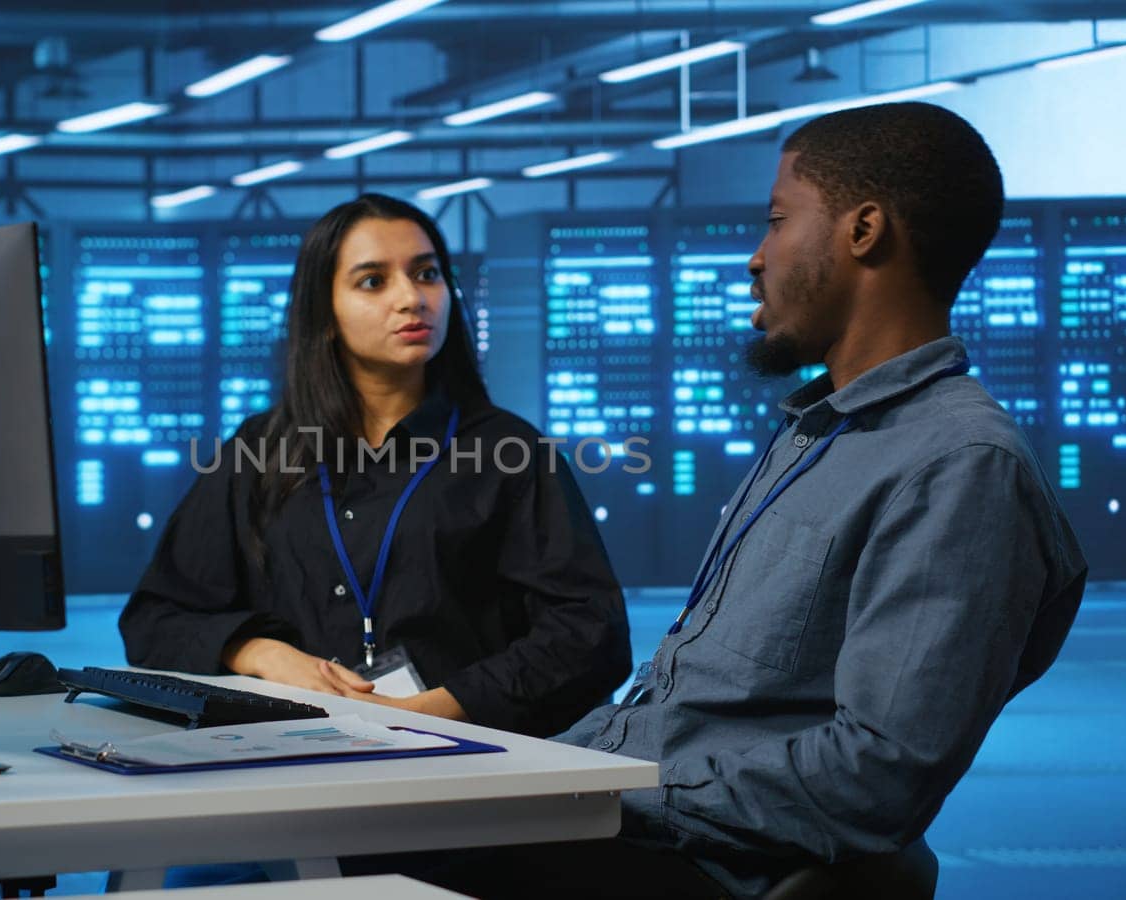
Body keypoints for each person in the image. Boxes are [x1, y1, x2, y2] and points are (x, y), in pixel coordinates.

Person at [359, 103, 1088, 898]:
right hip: (619, 820)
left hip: (690, 862)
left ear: (865, 230)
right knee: (351, 837)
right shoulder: (814, 435)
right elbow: (692, 702)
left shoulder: (960, 468)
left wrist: (595, 794)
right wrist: (538, 773)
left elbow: (876, 777)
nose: (755, 257)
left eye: (778, 221)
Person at [119, 192, 631, 738]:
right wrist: (260, 652)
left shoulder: (510, 452)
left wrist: (444, 708)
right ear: (325, 311)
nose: (412, 298)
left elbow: (590, 635)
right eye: (373, 281)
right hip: (282, 759)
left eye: (427, 274)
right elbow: (155, 620)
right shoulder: (262, 449)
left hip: (461, 762)